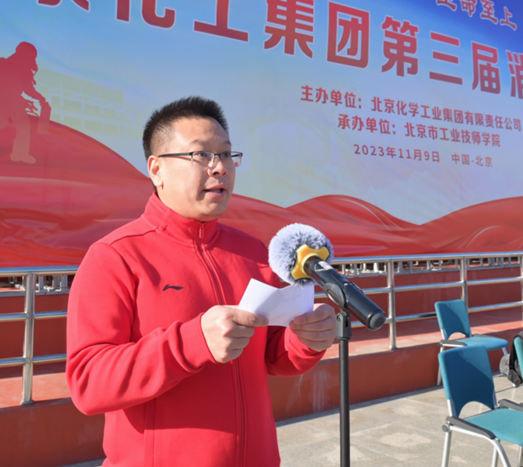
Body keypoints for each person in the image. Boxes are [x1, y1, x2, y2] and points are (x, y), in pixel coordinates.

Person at [66, 96, 335, 467]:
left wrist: (305, 340)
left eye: (226, 154)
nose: (219, 167)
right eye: (201, 155)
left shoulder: (253, 251)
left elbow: (273, 355)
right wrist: (192, 342)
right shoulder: (115, 256)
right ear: (156, 169)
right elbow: (88, 384)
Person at [0, 42, 48, 164]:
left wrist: (40, 98)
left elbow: (28, 88)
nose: (32, 59)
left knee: (24, 126)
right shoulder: (4, 64)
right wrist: (14, 95)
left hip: (15, 101)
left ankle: (20, 153)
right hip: (0, 98)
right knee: (0, 122)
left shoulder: (25, 70)